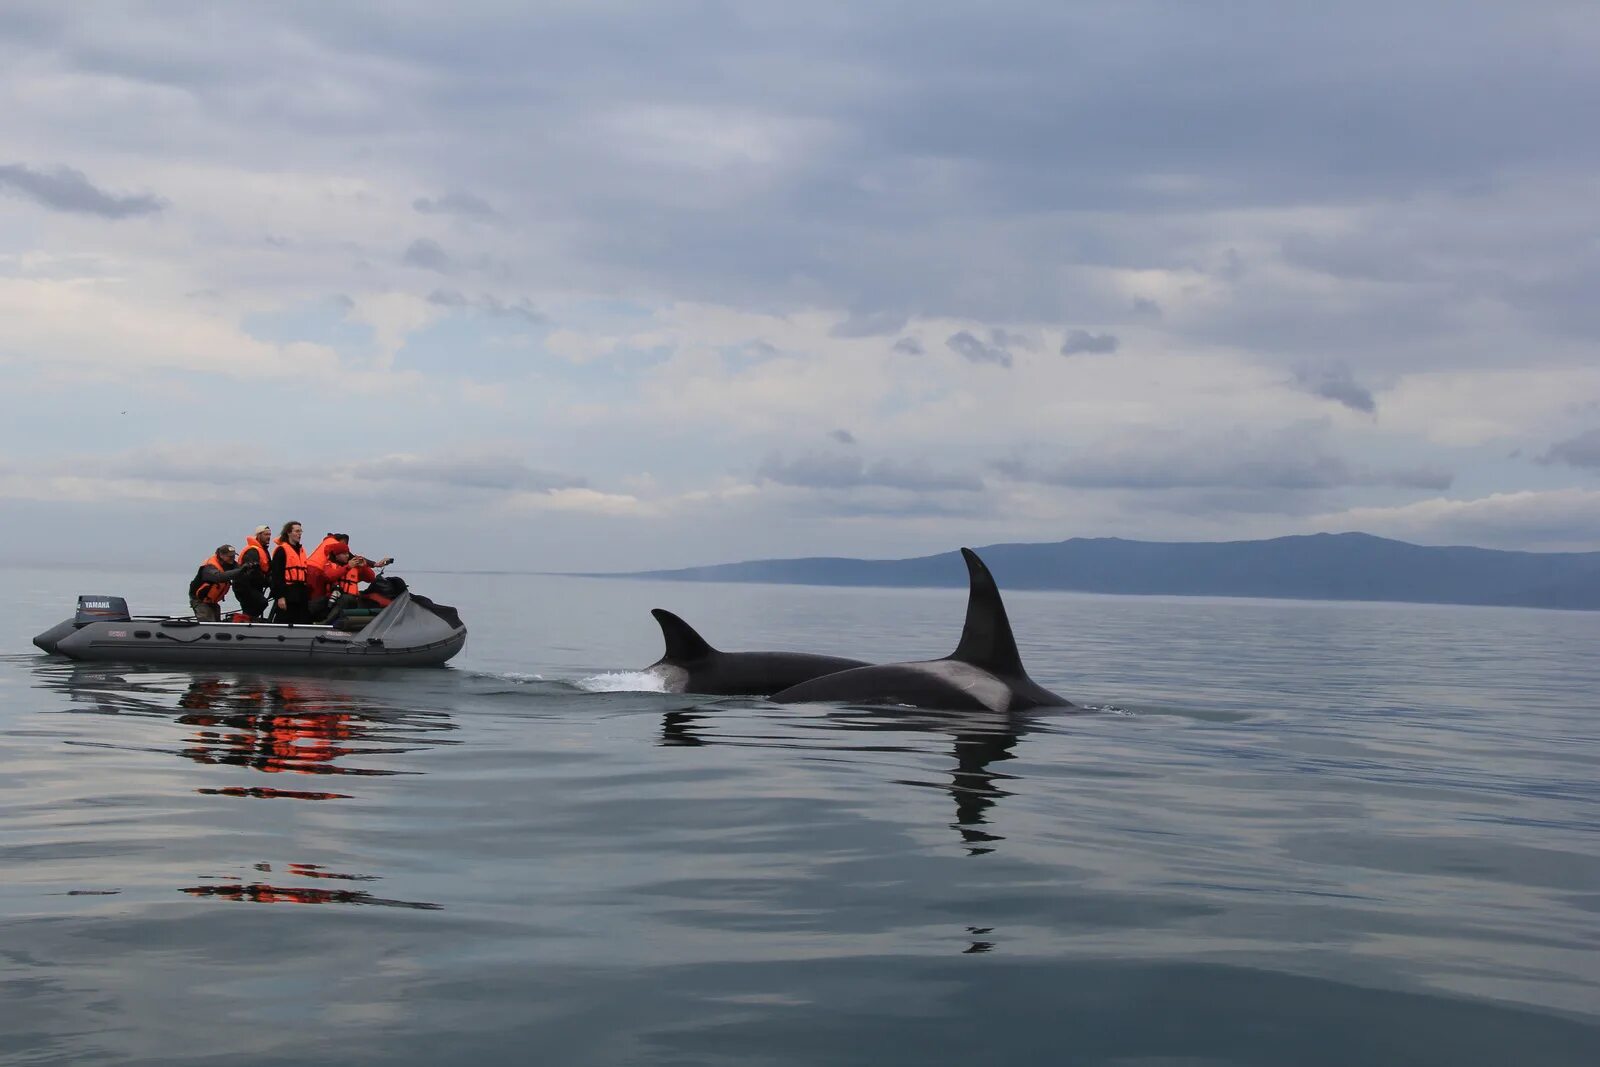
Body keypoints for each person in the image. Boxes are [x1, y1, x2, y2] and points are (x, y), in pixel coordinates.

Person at [312, 542, 383, 622]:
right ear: (336, 555)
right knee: (315, 604)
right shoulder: (330, 565)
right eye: (344, 554)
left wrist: (364, 567)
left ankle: (325, 623)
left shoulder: (355, 567)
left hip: (351, 599)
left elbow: (371, 578)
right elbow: (330, 576)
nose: (347, 556)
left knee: (345, 599)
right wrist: (347, 567)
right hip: (333, 598)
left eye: (347, 553)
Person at [189, 545, 249, 622]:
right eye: (230, 556)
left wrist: (248, 568)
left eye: (234, 556)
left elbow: (241, 572)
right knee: (208, 623)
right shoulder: (209, 567)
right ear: (221, 555)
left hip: (212, 601)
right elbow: (219, 577)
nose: (233, 558)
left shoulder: (231, 564)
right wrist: (241, 570)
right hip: (199, 600)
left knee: (216, 622)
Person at [269, 521, 312, 624]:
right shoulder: (281, 550)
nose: (299, 534)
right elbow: (277, 575)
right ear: (288, 532)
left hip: (301, 592)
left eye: (300, 531)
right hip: (288, 593)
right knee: (284, 619)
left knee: (303, 620)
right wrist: (280, 597)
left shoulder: (301, 550)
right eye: (297, 531)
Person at [234, 524, 274, 620]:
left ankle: (247, 621)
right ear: (259, 535)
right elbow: (252, 572)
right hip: (244, 586)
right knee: (261, 603)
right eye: (266, 534)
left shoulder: (263, 551)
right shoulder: (252, 551)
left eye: (269, 534)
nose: (268, 537)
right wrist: (267, 581)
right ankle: (241, 621)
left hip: (254, 586)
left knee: (256, 606)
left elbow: (268, 569)